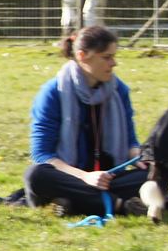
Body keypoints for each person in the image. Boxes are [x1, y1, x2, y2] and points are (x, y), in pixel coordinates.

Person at [25, 24, 150, 217]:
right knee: (36, 175)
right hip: (70, 177)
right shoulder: (52, 93)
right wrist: (85, 177)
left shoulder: (119, 91)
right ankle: (119, 205)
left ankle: (74, 203)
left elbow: (130, 142)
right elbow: (42, 155)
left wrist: (142, 157)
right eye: (106, 57)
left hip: (108, 177)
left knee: (154, 174)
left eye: (114, 57)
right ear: (83, 56)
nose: (113, 64)